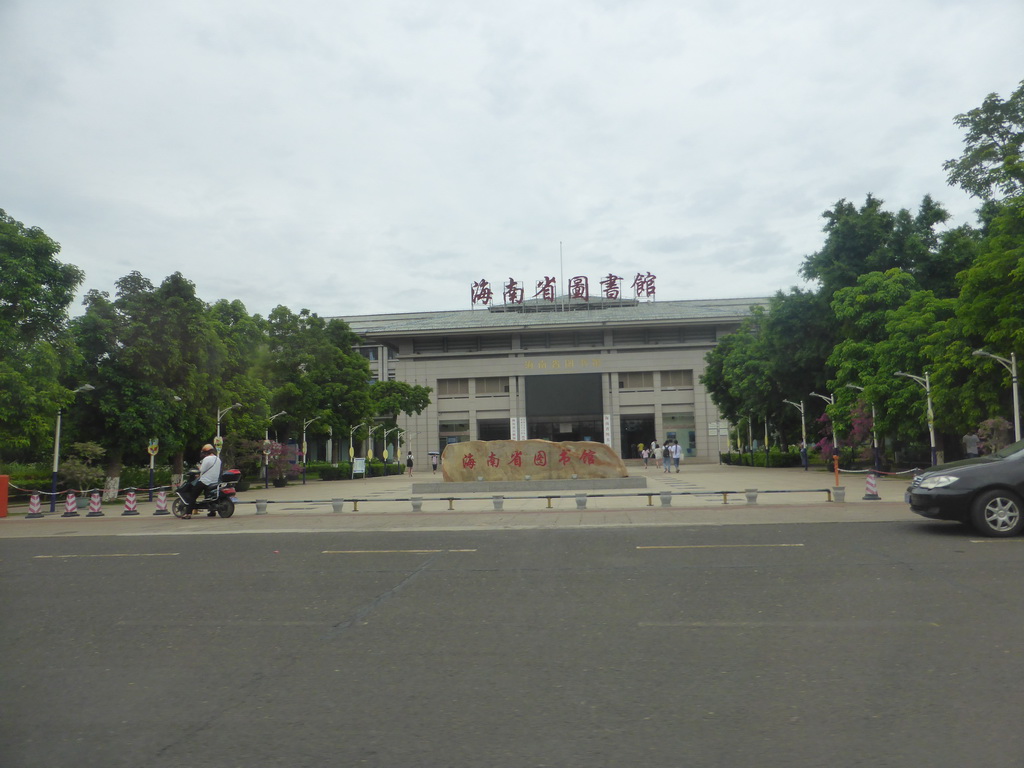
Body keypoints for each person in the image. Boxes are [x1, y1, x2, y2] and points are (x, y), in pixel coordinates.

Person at [179, 444, 222, 519]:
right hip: (214, 481)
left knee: (193, 495)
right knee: (208, 495)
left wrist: (199, 467)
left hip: (205, 481)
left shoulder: (206, 459)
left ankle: (188, 513)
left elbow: (201, 470)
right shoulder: (218, 459)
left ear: (205, 452)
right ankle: (212, 511)